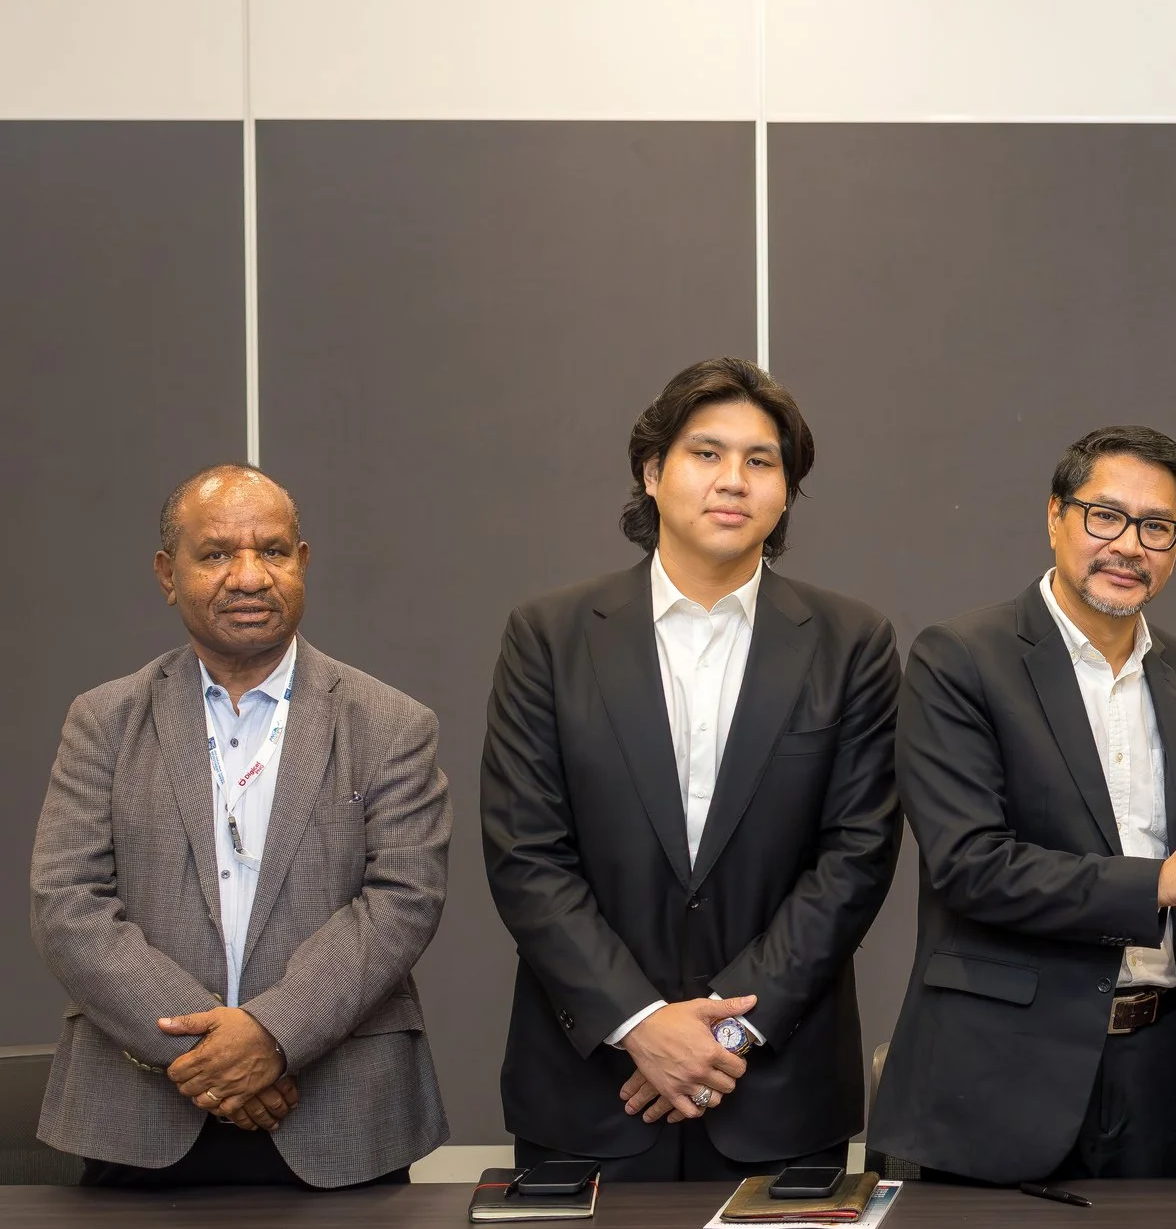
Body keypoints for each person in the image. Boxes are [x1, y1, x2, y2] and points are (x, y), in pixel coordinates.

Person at [482, 357, 900, 1180]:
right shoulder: (550, 634)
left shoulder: (851, 642)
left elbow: (856, 857)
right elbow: (525, 852)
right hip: (592, 1088)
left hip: (774, 1087)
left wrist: (724, 1034)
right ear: (652, 471)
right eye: (706, 453)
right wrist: (640, 1022)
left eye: (761, 460)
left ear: (785, 492)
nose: (732, 480)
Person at [870, 426, 1176, 1183]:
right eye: (1105, 516)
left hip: (1156, 1063)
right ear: (1055, 516)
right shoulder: (959, 658)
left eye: (1157, 527)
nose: (1129, 544)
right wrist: (1155, 882)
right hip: (999, 1071)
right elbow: (969, 865)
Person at [31, 464, 450, 1187]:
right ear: (168, 573)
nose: (249, 575)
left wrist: (272, 1034)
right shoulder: (103, 720)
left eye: (274, 550)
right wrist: (213, 1053)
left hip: (341, 1114)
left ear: (303, 562)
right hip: (141, 1111)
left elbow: (402, 901)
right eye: (217, 553)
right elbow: (68, 904)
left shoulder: (390, 724)